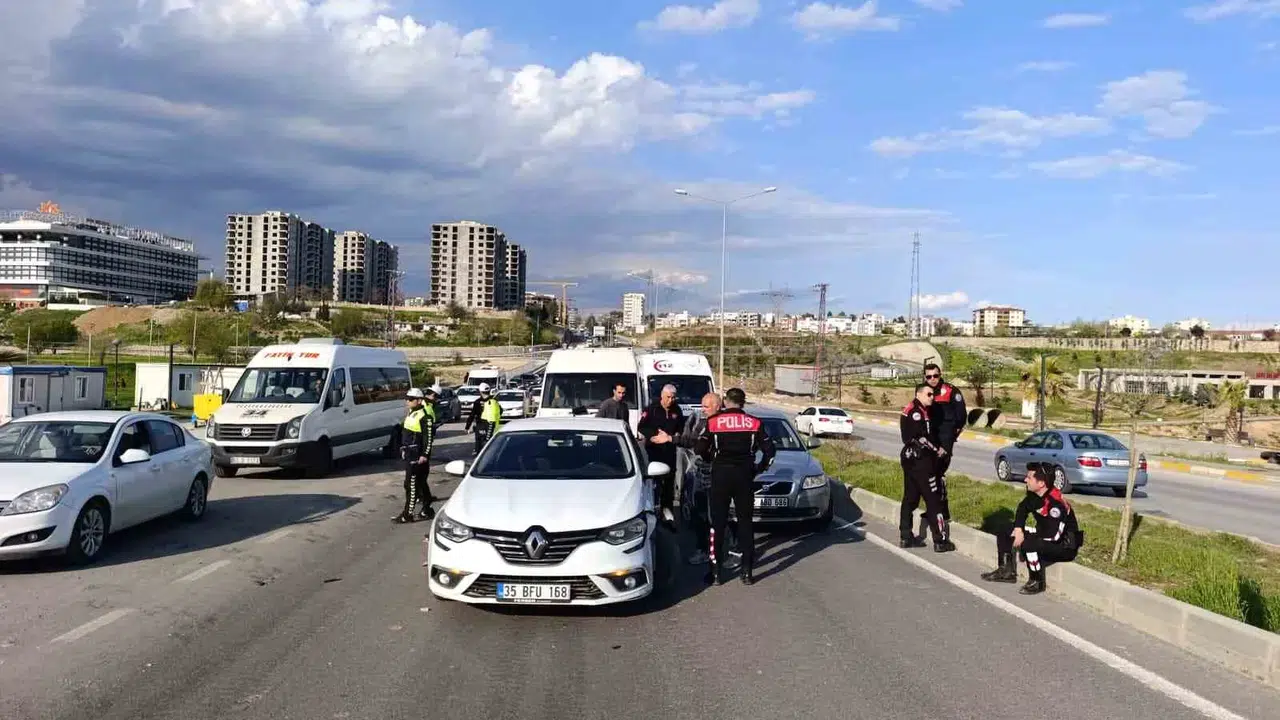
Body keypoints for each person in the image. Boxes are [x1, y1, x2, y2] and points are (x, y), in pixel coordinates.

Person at [695, 387, 776, 586]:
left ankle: (715, 573)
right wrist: (759, 468)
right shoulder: (755, 423)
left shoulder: (713, 422)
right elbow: (770, 452)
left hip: (720, 476)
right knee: (745, 524)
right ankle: (747, 573)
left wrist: (712, 458)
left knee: (717, 524)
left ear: (725, 401)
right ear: (743, 402)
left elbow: (699, 449)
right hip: (745, 477)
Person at [981, 462, 1082, 594]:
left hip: (1064, 546)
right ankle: (1006, 571)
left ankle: (1036, 581)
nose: (1025, 480)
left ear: (1041, 483)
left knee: (1029, 543)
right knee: (1006, 528)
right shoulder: (1035, 495)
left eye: (1029, 478)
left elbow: (1054, 536)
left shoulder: (1055, 505)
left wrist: (1026, 537)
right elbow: (1023, 508)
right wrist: (1018, 529)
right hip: (1045, 534)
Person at [899, 383, 956, 552]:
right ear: (919, 394)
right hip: (921, 460)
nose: (933, 397)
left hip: (911, 459)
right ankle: (940, 540)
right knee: (933, 500)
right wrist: (937, 449)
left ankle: (906, 536)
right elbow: (920, 437)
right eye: (929, 394)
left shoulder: (916, 408)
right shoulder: (916, 411)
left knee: (910, 498)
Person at [675, 392, 722, 565]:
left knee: (718, 516)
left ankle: (721, 552)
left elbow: (700, 447)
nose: (703, 410)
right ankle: (702, 549)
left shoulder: (721, 423)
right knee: (698, 514)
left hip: (718, 476)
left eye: (706, 407)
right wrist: (673, 439)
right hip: (699, 475)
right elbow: (691, 441)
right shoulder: (700, 421)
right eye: (702, 406)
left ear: (718, 406)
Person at [922, 362, 966, 533]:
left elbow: (961, 416)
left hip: (944, 440)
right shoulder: (923, 391)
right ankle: (933, 510)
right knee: (929, 475)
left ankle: (942, 512)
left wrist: (951, 437)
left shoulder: (950, 391)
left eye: (935, 375)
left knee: (938, 474)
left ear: (940, 374)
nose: (932, 379)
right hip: (930, 439)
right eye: (929, 376)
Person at [638, 383, 685, 527]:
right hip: (655, 451)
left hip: (669, 451)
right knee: (655, 483)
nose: (670, 400)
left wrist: (674, 436)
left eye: (673, 397)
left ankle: (667, 515)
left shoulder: (677, 410)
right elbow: (642, 426)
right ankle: (653, 510)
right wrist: (652, 436)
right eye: (668, 397)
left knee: (669, 484)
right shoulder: (652, 409)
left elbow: (681, 428)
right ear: (662, 396)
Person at [394, 388, 437, 523]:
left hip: (417, 456)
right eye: (407, 398)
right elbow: (407, 434)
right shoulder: (412, 413)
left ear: (419, 401)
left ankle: (408, 514)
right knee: (420, 483)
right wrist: (403, 448)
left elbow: (428, 438)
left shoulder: (425, 416)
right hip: (410, 453)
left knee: (410, 484)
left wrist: (425, 454)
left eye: (410, 399)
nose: (407, 401)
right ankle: (427, 509)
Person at [463, 383, 502, 455]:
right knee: (489, 441)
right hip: (491, 425)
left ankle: (477, 452)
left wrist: (467, 427)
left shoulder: (477, 402)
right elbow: (500, 411)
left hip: (480, 424)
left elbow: (472, 415)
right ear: (489, 391)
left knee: (479, 440)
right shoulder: (494, 401)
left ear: (480, 391)